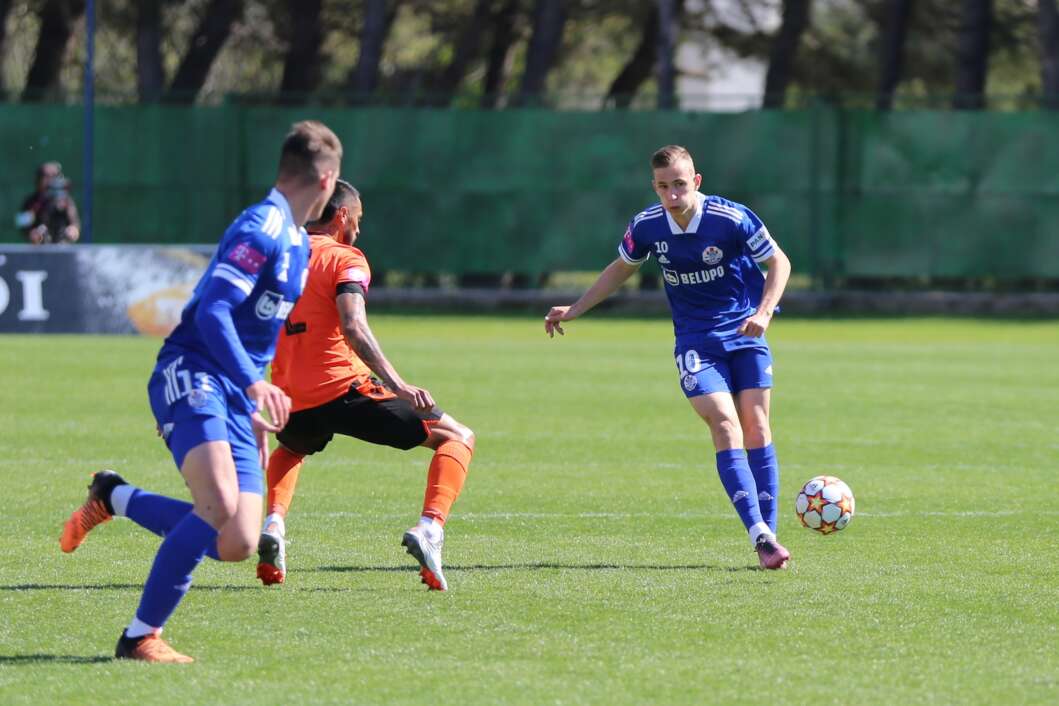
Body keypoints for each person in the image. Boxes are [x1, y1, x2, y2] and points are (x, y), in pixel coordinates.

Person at [59, 120, 342, 662]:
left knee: (237, 541)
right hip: (194, 372)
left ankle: (113, 496)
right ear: (327, 179)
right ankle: (139, 637)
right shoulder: (260, 228)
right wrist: (253, 383)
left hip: (236, 391)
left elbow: (258, 330)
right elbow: (212, 310)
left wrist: (253, 400)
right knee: (216, 504)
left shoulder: (298, 243)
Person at [543, 145, 793, 570]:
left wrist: (764, 312)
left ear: (696, 181)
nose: (673, 195)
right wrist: (576, 308)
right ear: (654, 187)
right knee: (724, 423)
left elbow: (778, 261)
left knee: (757, 425)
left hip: (745, 333)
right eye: (663, 187)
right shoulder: (647, 225)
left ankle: (768, 535)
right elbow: (621, 267)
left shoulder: (731, 218)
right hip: (696, 342)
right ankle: (759, 534)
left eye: (680, 184)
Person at [256, 179, 475, 592]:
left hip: (291, 395)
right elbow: (353, 326)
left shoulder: (278, 256)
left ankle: (273, 525)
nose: (359, 227)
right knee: (457, 437)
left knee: (293, 448)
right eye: (357, 218)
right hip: (343, 388)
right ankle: (430, 529)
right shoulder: (345, 257)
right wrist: (399, 384)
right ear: (341, 215)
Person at [17, 162, 80, 244]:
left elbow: (74, 223)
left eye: (54, 176)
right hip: (38, 247)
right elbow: (21, 223)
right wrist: (31, 233)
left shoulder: (65, 200)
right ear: (39, 179)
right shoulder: (31, 201)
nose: (50, 180)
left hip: (61, 246)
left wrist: (73, 231)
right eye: (46, 176)